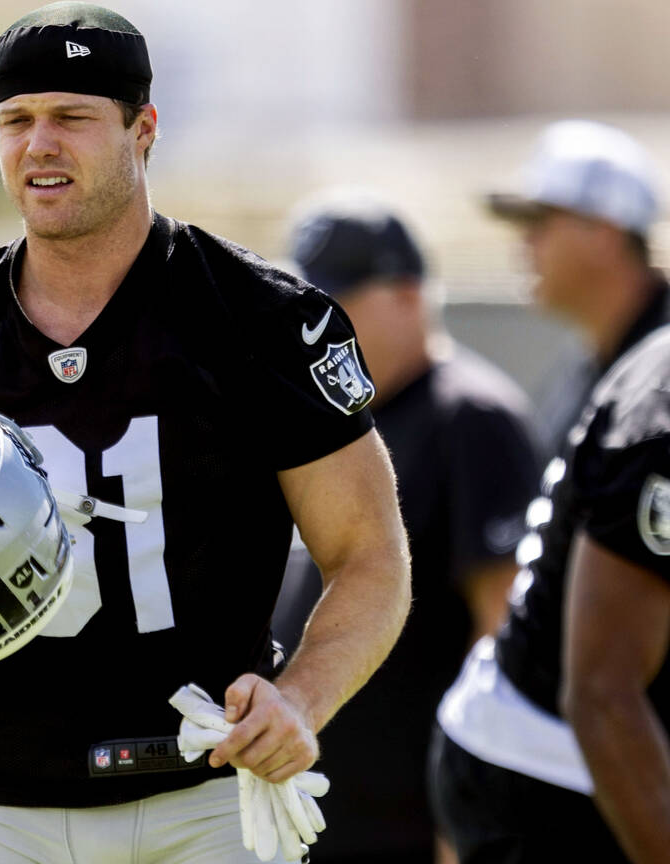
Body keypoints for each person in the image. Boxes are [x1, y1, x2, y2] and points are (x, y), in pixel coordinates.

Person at [0, 5, 410, 862]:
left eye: (72, 116)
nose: (40, 144)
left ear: (143, 129)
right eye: (15, 120)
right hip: (3, 806)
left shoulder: (261, 320)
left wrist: (301, 700)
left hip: (210, 794)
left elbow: (370, 556)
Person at [271, 196, 541, 864]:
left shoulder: (470, 417)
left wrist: (470, 814)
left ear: (407, 295)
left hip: (416, 825)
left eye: (335, 306)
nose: (313, 328)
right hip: (327, 819)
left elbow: (504, 630)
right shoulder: (338, 418)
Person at [431, 119, 670, 863]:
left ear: (605, 232)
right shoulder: (647, 396)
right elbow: (601, 692)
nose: (523, 244)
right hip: (545, 760)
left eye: (541, 222)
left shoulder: (633, 369)